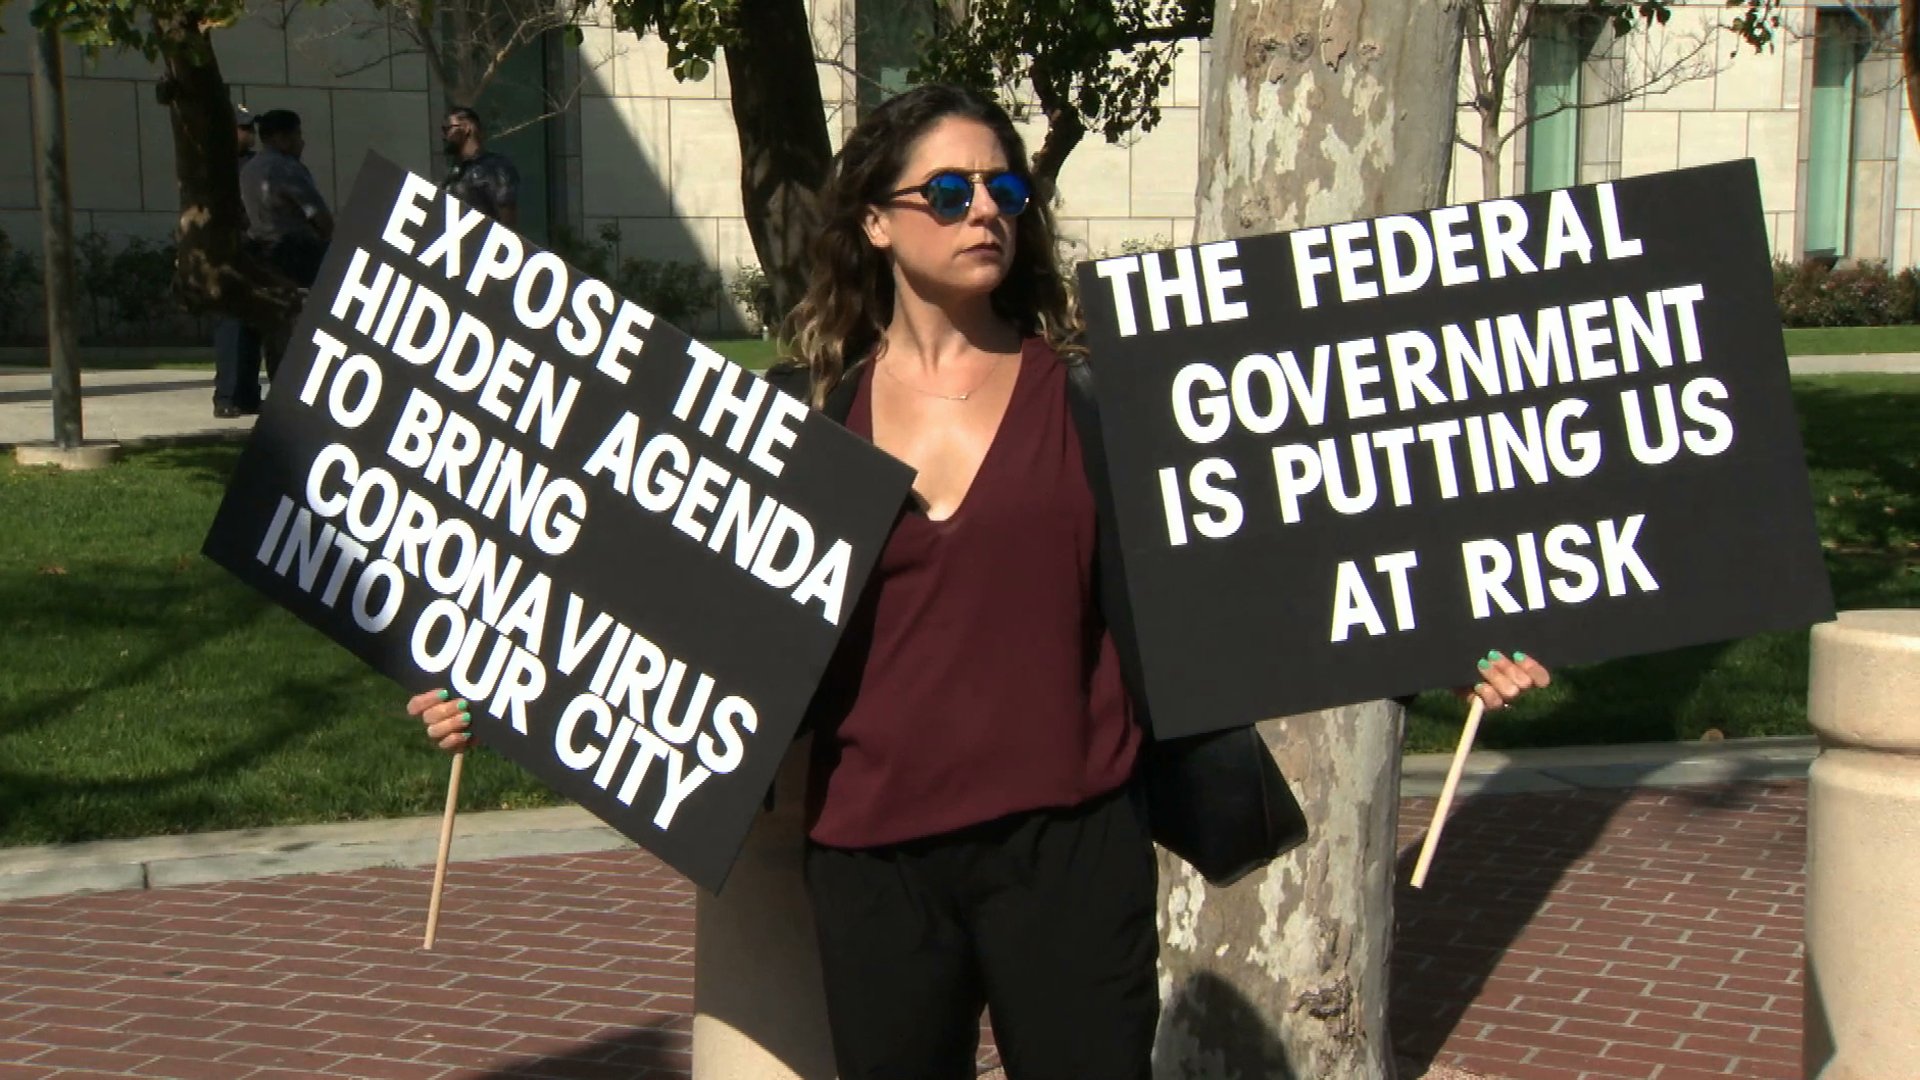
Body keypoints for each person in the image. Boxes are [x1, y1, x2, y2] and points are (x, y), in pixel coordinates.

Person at [407, 84, 1551, 1079]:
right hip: (872, 865)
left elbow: (1284, 552)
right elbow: (648, 608)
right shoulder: (805, 423)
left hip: (1070, 849)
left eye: (1004, 192)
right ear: (875, 223)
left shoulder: (1102, 400)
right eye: (949, 195)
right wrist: (500, 687)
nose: (987, 213)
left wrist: (1456, 646)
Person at [240, 108, 332, 379]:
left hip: (262, 253)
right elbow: (318, 215)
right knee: (302, 323)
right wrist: (329, 237)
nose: (301, 142)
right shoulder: (286, 168)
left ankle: (280, 384)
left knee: (276, 328)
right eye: (297, 135)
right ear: (282, 137)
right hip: (295, 252)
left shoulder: (250, 169)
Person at [213, 104, 264, 418]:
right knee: (231, 327)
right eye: (244, 128)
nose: (250, 134)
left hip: (254, 252)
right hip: (229, 253)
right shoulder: (216, 168)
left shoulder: (256, 164)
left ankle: (247, 394)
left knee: (252, 327)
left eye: (251, 127)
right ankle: (227, 396)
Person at [439, 107, 520, 227]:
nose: (445, 136)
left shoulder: (495, 166)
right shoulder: (454, 172)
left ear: (467, 128)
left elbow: (507, 218)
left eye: (448, 129)